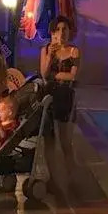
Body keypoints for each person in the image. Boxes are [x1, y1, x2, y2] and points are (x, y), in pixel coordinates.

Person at [40, 15, 80, 164]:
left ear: (69, 32)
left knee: (65, 140)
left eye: (64, 29)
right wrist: (50, 56)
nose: (61, 33)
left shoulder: (74, 51)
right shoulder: (46, 50)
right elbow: (44, 74)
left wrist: (53, 75)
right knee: (49, 139)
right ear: (52, 33)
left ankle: (71, 171)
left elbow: (72, 76)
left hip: (65, 96)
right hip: (49, 95)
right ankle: (53, 173)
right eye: (57, 30)